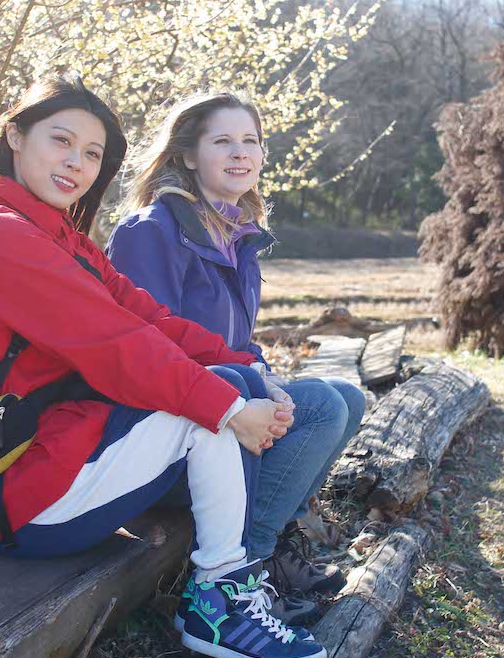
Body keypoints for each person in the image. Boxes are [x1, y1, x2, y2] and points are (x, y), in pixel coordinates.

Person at [0, 75, 325, 658]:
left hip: (67, 455)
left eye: (92, 154)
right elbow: (115, 343)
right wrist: (227, 407)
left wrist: (249, 369)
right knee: (216, 400)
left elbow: (151, 319)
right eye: (61, 141)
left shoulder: (64, 240)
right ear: (14, 135)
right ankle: (217, 601)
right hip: (20, 496)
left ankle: (233, 582)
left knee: (232, 382)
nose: (76, 164)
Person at [107, 92, 367, 618]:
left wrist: (263, 375)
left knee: (346, 397)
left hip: (226, 404)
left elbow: (239, 343)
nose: (240, 152)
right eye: (222, 140)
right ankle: (250, 571)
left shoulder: (236, 236)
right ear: (186, 155)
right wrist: (255, 384)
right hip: (171, 432)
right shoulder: (150, 231)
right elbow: (149, 348)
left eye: (251, 140)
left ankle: (279, 543)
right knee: (322, 404)